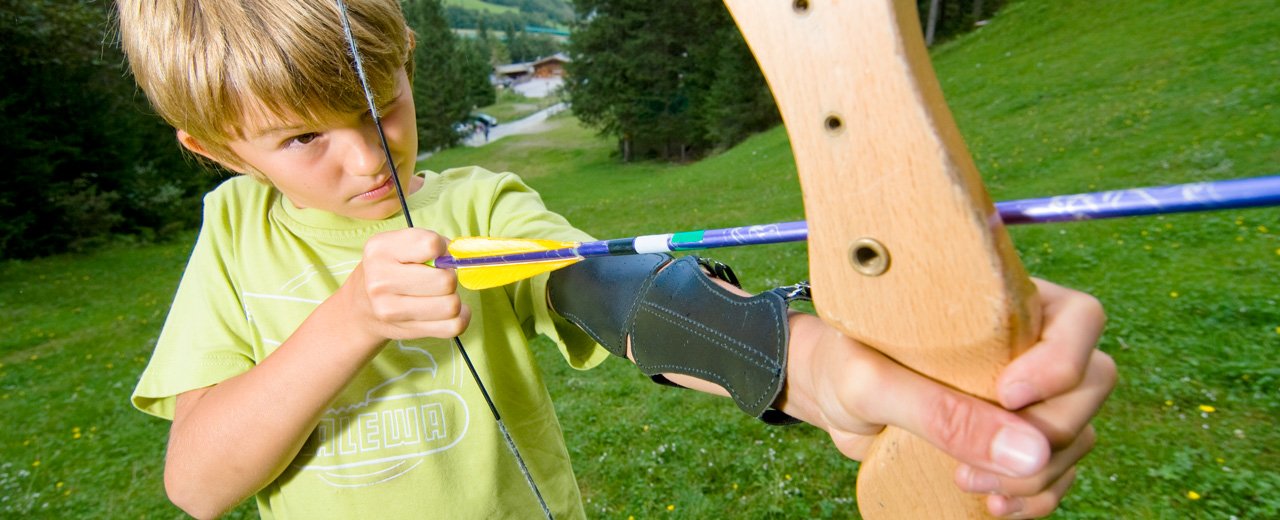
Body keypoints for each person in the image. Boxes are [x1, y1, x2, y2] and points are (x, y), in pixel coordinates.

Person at [118, 1, 1116, 519]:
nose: (366, 155)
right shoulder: (234, 234)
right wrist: (348, 320)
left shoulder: (474, 207)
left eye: (382, 105)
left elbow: (604, 289)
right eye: (303, 140)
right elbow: (197, 485)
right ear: (215, 147)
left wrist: (820, 371)